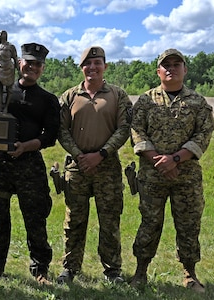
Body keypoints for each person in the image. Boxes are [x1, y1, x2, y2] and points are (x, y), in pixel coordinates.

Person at [129, 48, 214, 293]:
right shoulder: (146, 100)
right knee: (150, 222)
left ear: (185, 70)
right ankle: (140, 272)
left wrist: (175, 159)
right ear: (158, 71)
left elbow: (204, 134)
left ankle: (190, 274)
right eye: (166, 65)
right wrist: (160, 161)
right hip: (152, 176)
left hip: (186, 177)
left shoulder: (198, 102)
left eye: (177, 64)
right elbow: (136, 132)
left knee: (188, 224)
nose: (171, 68)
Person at [0, 43, 60, 286]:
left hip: (30, 166)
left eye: (37, 64)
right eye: (28, 62)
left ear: (42, 69)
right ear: (19, 63)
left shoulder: (48, 99)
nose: (32, 67)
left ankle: (40, 270)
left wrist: (26, 146)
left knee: (35, 219)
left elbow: (50, 136)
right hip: (0, 164)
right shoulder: (1, 91)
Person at [56, 46, 132, 284]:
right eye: (87, 64)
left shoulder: (118, 95)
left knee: (109, 221)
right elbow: (61, 130)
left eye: (97, 63)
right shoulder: (69, 96)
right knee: (74, 221)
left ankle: (112, 271)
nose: (92, 68)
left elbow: (124, 129)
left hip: (107, 167)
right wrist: (80, 156)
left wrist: (101, 154)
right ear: (81, 68)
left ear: (105, 66)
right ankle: (70, 268)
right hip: (77, 168)